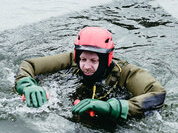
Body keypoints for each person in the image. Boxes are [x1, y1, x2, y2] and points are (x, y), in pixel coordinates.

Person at [14, 26, 166, 120]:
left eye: (94, 61)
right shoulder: (72, 59)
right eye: (83, 59)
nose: (86, 66)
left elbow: (158, 94)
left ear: (107, 59)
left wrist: (112, 108)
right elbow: (29, 64)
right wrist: (27, 85)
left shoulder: (126, 72)